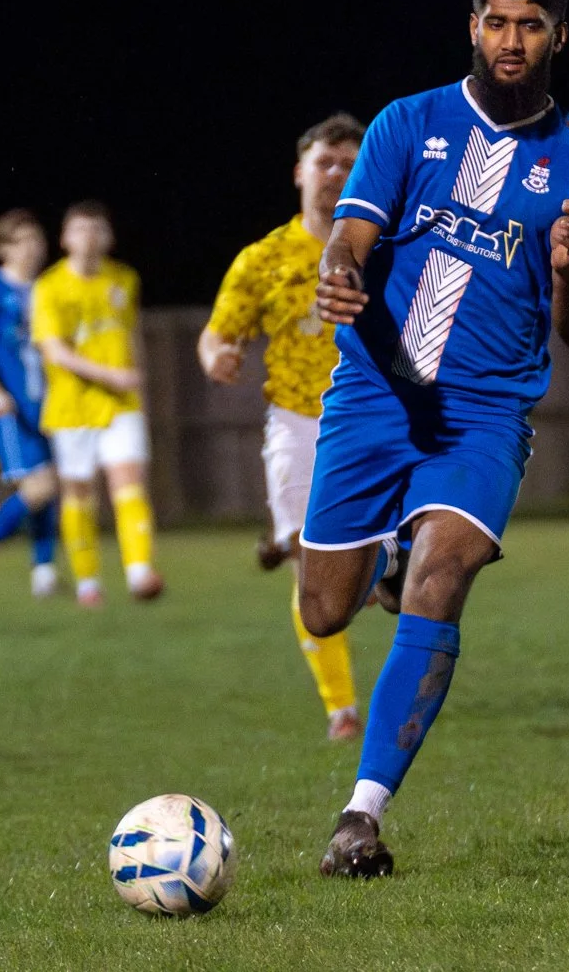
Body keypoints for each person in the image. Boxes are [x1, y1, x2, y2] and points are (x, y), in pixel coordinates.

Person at [297, 0, 569, 878]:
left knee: (443, 578)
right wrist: (339, 273)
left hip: (485, 412)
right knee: (322, 612)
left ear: (560, 36)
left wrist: (568, 271)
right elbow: (350, 236)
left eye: (531, 25)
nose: (512, 40)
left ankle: (361, 815)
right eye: (497, 21)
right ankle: (385, 561)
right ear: (473, 26)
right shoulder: (409, 122)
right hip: (374, 392)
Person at [199, 112, 367, 742]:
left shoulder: (389, 247)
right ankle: (341, 708)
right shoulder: (264, 259)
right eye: (326, 162)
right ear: (300, 172)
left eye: (350, 164)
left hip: (378, 417)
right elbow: (217, 333)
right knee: (311, 566)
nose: (336, 173)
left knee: (387, 572)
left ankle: (372, 568)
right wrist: (216, 356)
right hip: (298, 421)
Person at [30, 201, 164, 606]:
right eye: (80, 229)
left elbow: (132, 336)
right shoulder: (50, 287)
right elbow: (55, 352)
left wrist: (138, 387)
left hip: (122, 404)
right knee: (79, 495)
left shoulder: (124, 279)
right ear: (65, 239)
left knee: (129, 483)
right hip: (72, 406)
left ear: (109, 237)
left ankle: (139, 573)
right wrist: (111, 376)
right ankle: (88, 582)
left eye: (96, 229)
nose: (89, 236)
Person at [0, 209, 61, 597]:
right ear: (2, 249)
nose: (33, 248)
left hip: (49, 404)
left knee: (47, 489)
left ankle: (44, 573)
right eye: (22, 241)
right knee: (40, 486)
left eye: (37, 239)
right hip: (11, 407)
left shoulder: (50, 288)